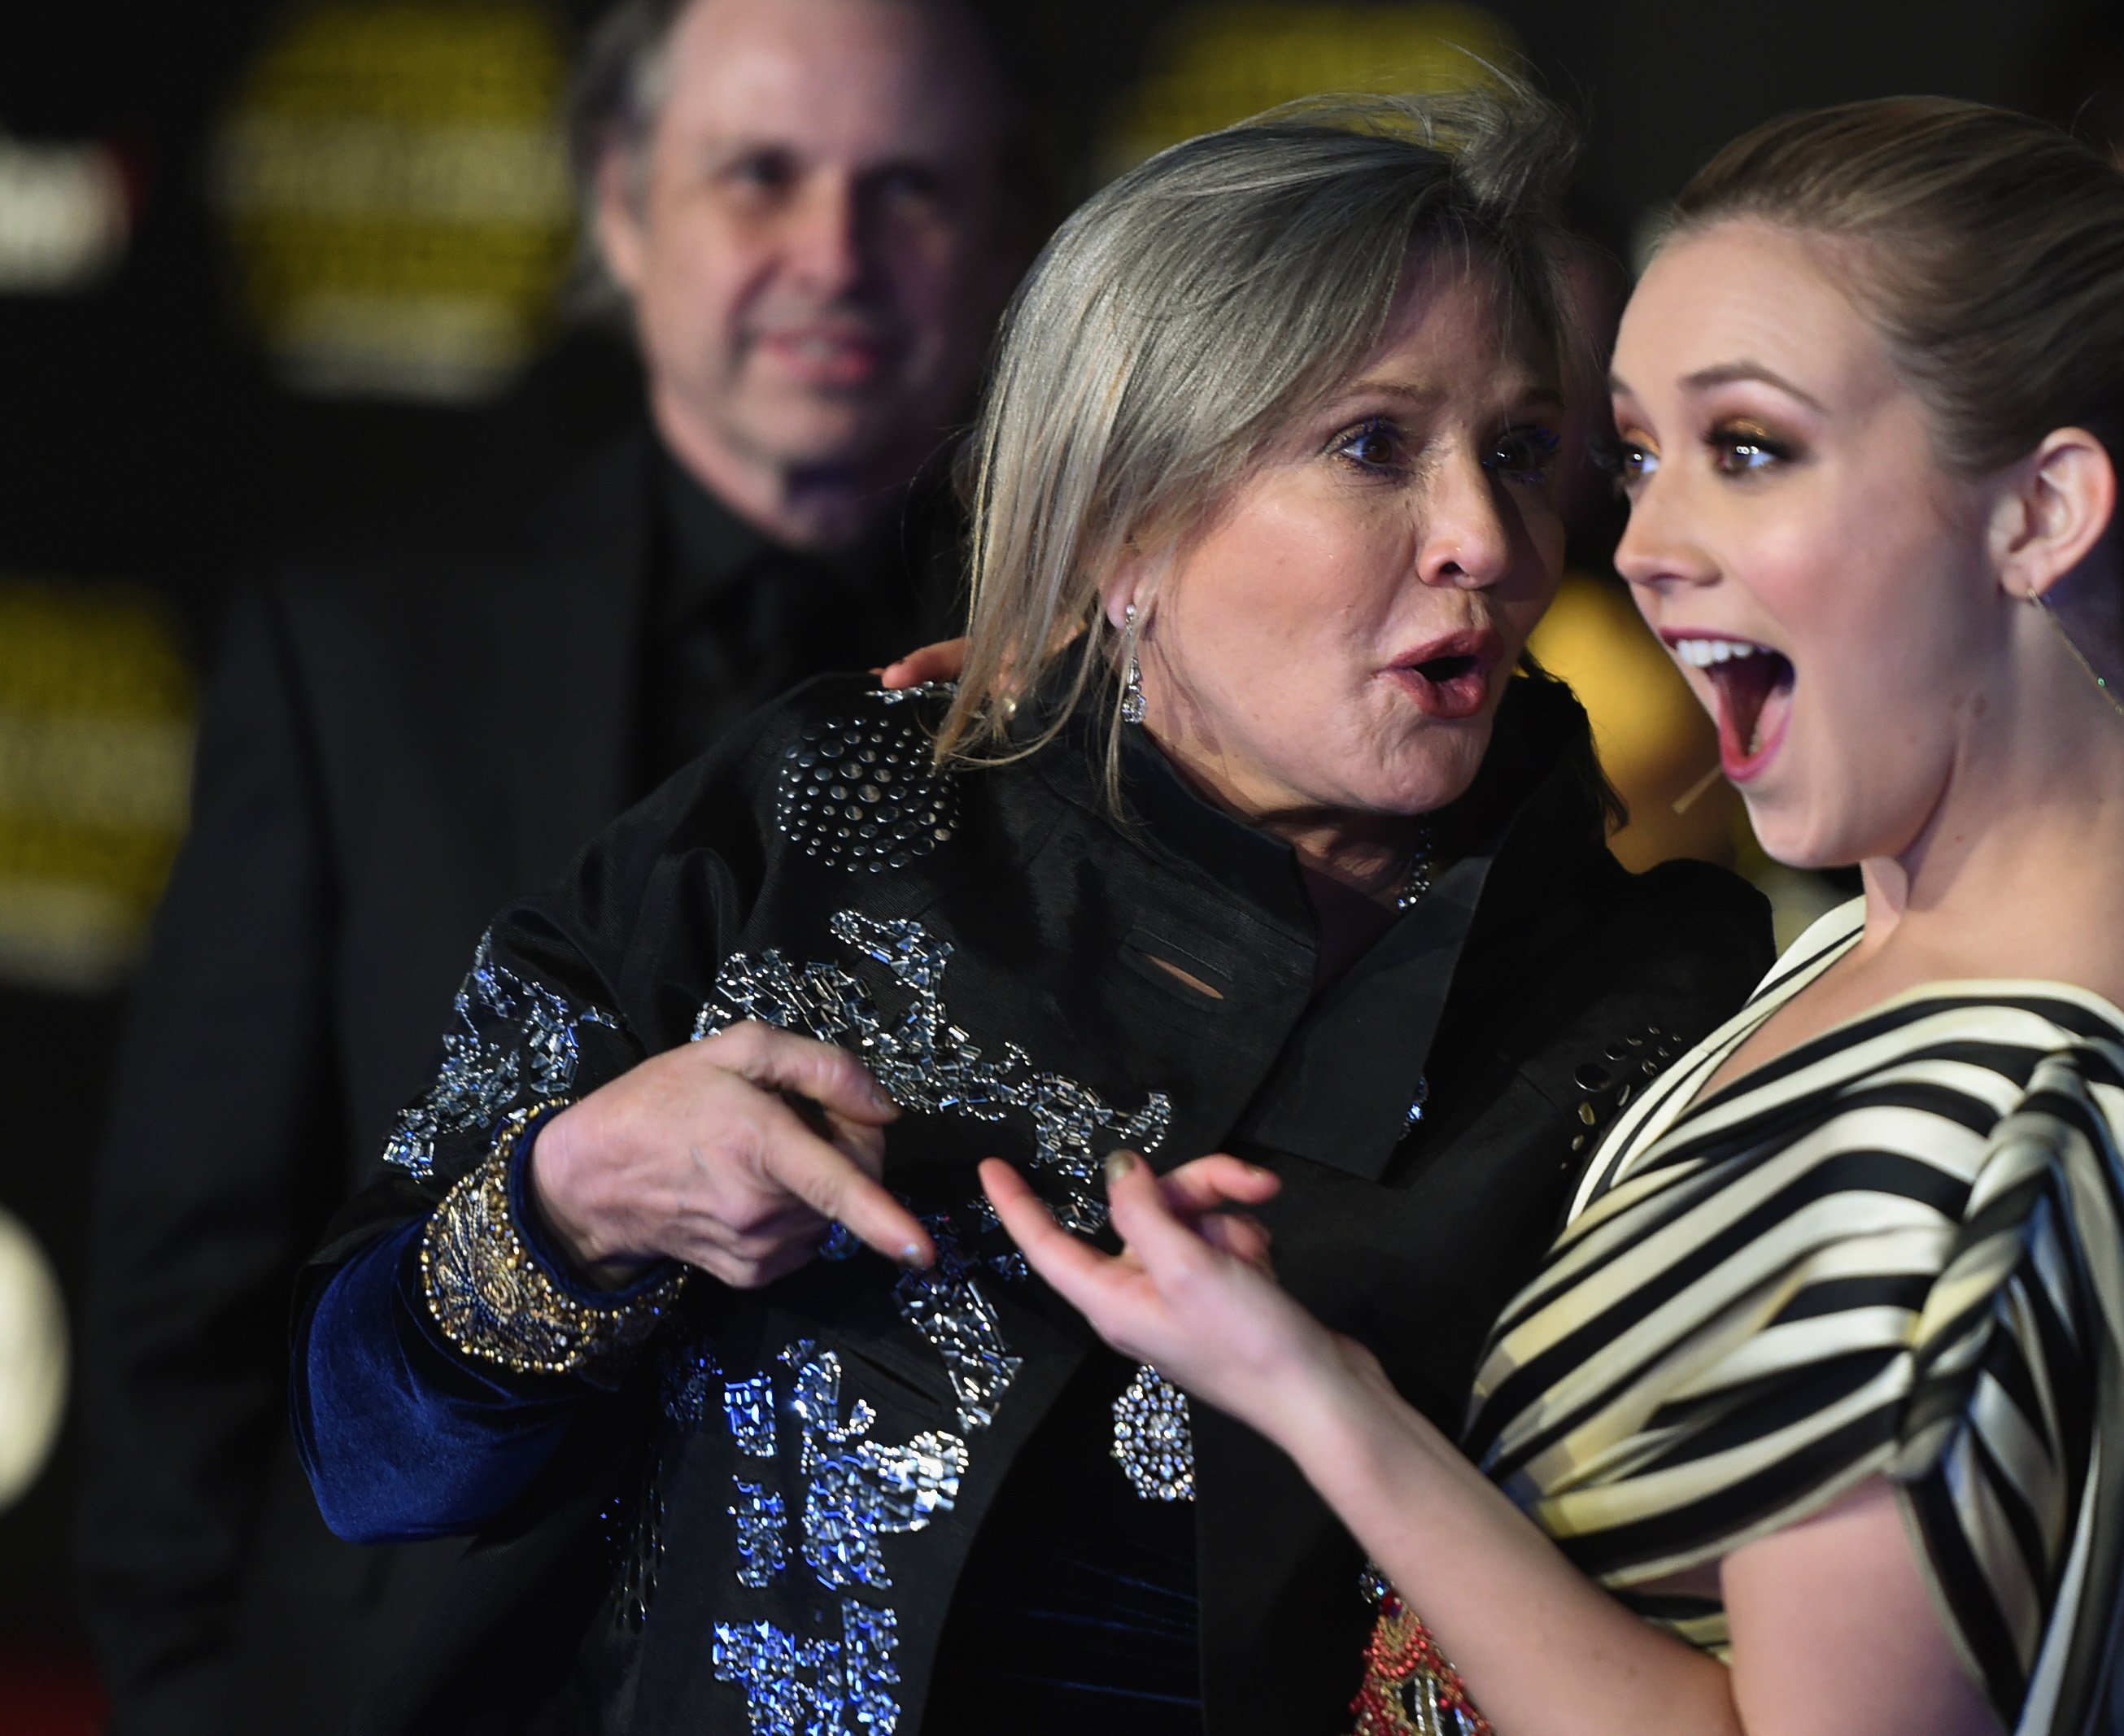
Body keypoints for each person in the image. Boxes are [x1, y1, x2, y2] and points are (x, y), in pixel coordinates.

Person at [285, 90, 1773, 1736]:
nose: (1486, 542)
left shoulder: (1646, 1004)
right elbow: (367, 1451)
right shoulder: (826, 818)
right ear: (1125, 526)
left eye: (1515, 449)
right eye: (1371, 447)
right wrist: (576, 1200)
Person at [989, 96, 2124, 1736]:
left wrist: (1327, 1407)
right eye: (1635, 457)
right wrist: (1163, 676)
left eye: (1748, 449)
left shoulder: (1962, 1143)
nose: (1625, 550)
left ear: (2040, 510)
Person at [78, 0, 1031, 1729]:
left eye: (906, 190)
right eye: (759, 175)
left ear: (1003, 239)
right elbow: (187, 1284)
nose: (830, 253)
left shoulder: (1097, 682)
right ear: (618, 207)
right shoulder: (362, 647)